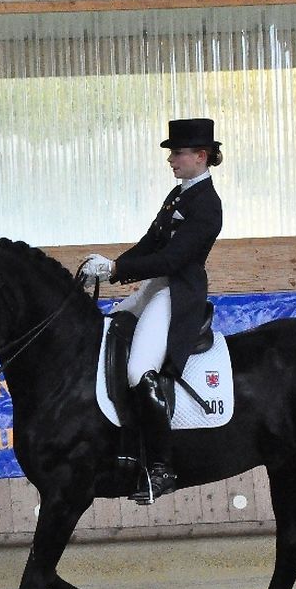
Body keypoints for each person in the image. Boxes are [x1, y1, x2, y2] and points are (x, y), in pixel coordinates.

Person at [83, 118, 224, 504]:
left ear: (201, 156)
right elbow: (150, 243)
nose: (171, 160)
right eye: (171, 154)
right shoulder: (178, 195)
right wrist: (111, 267)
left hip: (178, 292)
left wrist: (116, 269)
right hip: (155, 287)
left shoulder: (208, 204)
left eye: (177, 153)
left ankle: (162, 468)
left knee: (139, 370)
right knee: (109, 333)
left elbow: (174, 258)